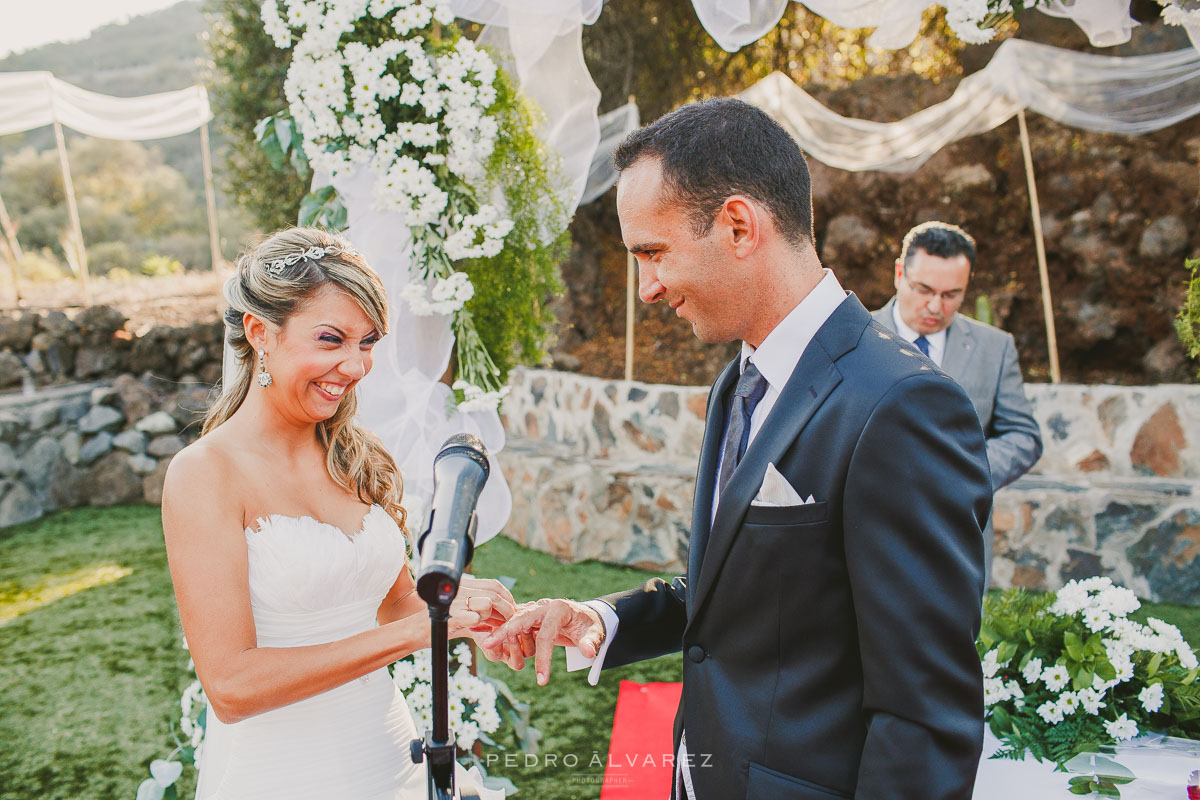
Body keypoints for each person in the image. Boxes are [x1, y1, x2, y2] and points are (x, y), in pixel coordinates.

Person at [484, 99, 993, 799]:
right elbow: (740, 587)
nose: (647, 288)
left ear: (737, 226)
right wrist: (596, 620)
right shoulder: (739, 384)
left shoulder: (902, 406)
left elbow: (925, 715)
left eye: (653, 253)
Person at [161, 227, 513, 800]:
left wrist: (465, 603)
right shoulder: (206, 473)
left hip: (387, 756)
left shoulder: (356, 455)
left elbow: (396, 601)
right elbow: (230, 687)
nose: (355, 366)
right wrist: (418, 633)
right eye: (331, 340)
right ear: (260, 334)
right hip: (282, 775)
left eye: (368, 342)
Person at [872, 221, 1043, 582]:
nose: (935, 306)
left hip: (958, 540)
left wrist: (966, 474)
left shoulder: (996, 348)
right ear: (899, 273)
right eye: (924, 289)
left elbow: (1023, 435)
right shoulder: (856, 337)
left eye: (952, 294)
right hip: (871, 533)